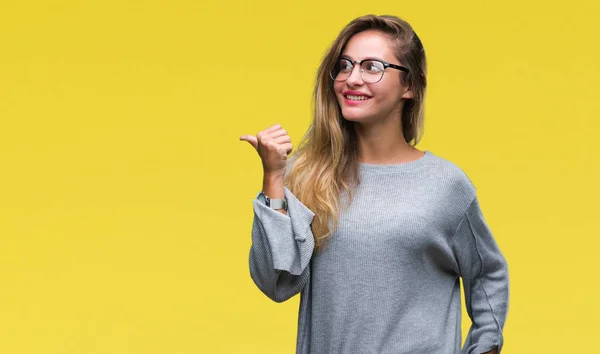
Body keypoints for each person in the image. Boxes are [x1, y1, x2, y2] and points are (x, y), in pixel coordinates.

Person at [240, 14, 509, 354]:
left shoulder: (445, 184)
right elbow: (276, 283)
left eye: (372, 67)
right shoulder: (307, 175)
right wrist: (274, 178)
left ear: (409, 85)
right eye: (345, 65)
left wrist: (486, 346)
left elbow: (488, 275)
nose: (352, 78)